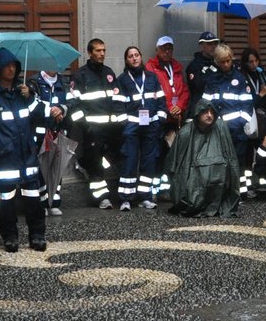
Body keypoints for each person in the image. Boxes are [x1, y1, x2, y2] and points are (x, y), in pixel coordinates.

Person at [0, 47, 47, 253]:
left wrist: (30, 97)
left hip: (27, 155)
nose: (11, 69)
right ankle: (10, 237)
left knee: (34, 199)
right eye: (7, 65)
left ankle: (37, 235)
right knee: (5, 202)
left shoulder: (23, 92)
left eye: (14, 65)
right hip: (4, 156)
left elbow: (41, 115)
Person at [69, 38, 121, 209]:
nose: (102, 54)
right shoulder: (80, 75)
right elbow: (74, 105)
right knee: (96, 165)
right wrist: (87, 126)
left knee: (114, 161)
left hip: (112, 130)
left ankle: (116, 194)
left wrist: (119, 121)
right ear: (90, 53)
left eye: (104, 50)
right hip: (93, 130)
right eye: (98, 51)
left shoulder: (109, 72)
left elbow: (117, 99)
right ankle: (101, 198)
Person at [165, 102, 241, 218]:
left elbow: (231, 158)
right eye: (205, 112)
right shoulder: (185, 133)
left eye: (212, 112)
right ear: (197, 114)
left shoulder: (221, 128)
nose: (209, 115)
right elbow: (173, 164)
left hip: (219, 177)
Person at [198, 44, 256, 192]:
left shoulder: (240, 79)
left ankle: (240, 192)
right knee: (219, 161)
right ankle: (223, 192)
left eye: (228, 61)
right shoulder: (212, 80)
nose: (226, 64)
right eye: (222, 62)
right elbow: (205, 104)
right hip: (216, 129)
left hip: (236, 131)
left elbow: (247, 105)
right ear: (217, 61)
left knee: (238, 162)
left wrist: (239, 123)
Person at [116, 45, 167, 210]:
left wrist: (159, 120)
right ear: (126, 60)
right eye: (130, 56)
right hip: (132, 128)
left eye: (136, 55)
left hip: (151, 126)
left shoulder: (151, 77)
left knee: (149, 162)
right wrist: (125, 124)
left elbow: (161, 100)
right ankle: (126, 199)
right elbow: (118, 105)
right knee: (129, 162)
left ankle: (145, 197)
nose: (134, 58)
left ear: (141, 57)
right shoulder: (122, 79)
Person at [148, 35, 188, 195]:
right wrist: (170, 107)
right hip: (160, 119)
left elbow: (184, 91)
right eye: (163, 48)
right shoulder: (151, 68)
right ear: (157, 50)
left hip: (174, 119)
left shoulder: (177, 68)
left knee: (171, 154)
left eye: (169, 48)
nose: (167, 51)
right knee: (157, 154)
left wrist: (179, 106)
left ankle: (167, 189)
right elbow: (156, 93)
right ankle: (154, 189)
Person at [29, 67, 71, 215]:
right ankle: (42, 203)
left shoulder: (64, 82)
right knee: (41, 169)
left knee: (56, 167)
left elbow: (73, 102)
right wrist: (51, 111)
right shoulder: (33, 82)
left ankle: (54, 202)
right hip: (40, 133)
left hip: (58, 132)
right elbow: (32, 106)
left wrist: (62, 109)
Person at [186, 30, 221, 110]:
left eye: (215, 44)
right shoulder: (194, 65)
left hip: (218, 105)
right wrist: (212, 68)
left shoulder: (220, 63)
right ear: (202, 46)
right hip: (200, 107)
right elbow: (198, 85)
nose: (213, 47)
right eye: (209, 44)